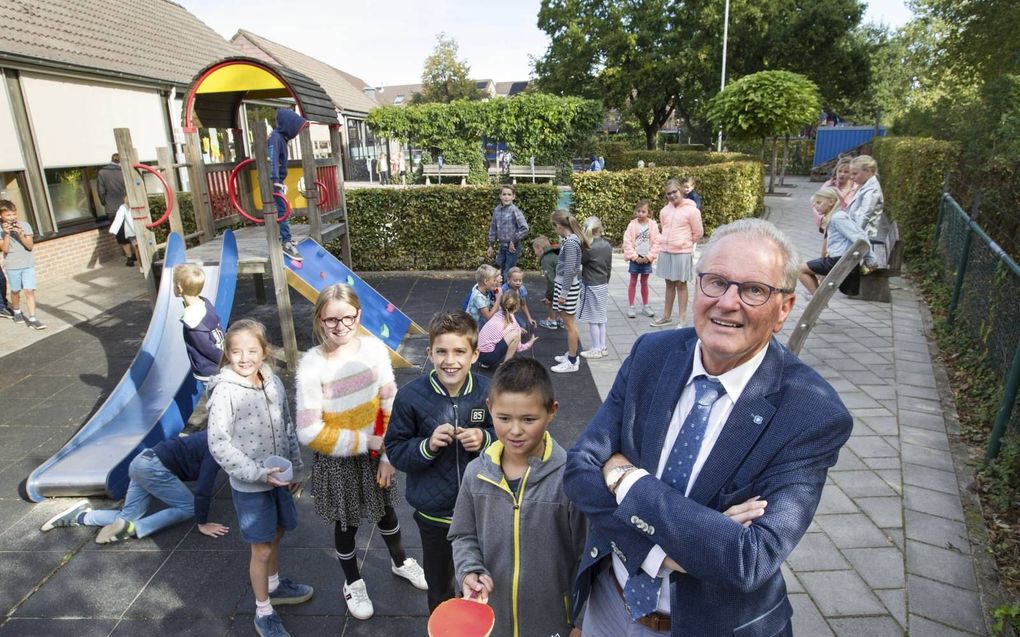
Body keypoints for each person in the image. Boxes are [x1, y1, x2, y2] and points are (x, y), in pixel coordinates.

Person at [564, 218, 853, 637]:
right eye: (716, 281)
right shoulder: (651, 353)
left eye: (754, 290)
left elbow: (748, 560)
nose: (728, 302)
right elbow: (579, 470)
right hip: (609, 602)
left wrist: (626, 479)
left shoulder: (811, 414)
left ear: (784, 309)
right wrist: (676, 547)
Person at [294, 284, 425, 620]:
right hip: (340, 459)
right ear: (320, 320)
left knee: (386, 512)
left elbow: (388, 401)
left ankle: (400, 562)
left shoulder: (374, 350)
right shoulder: (312, 366)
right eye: (331, 320)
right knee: (347, 522)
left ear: (359, 316)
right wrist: (362, 442)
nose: (340, 326)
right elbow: (309, 429)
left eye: (347, 318)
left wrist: (386, 454)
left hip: (376, 450)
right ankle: (352, 581)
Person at [450, 358, 587, 637]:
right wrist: (469, 570)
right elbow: (463, 535)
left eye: (528, 419)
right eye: (504, 418)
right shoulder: (476, 473)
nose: (515, 430)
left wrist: (581, 620)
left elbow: (589, 556)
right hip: (491, 620)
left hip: (552, 623)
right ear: (490, 408)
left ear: (552, 411)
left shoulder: (570, 481)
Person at [206, 319, 312, 637]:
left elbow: (286, 426)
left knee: (278, 531)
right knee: (261, 548)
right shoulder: (225, 391)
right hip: (251, 484)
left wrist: (294, 466)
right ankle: (263, 611)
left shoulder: (272, 382)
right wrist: (255, 472)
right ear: (227, 354)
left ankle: (275, 585)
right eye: (236, 351)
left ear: (264, 351)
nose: (244, 358)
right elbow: (218, 443)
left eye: (252, 350)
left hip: (278, 477)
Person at [385, 310, 495, 613]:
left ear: (475, 354)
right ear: (429, 353)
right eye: (442, 351)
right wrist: (427, 445)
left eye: (460, 351)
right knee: (441, 587)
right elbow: (395, 449)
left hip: (483, 512)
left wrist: (485, 439)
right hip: (435, 517)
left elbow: (512, 435)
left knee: (480, 585)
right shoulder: (410, 397)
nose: (451, 360)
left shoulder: (489, 392)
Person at [40, 431, 227, 543]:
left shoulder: (214, 431)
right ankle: (134, 529)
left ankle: (81, 516)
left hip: (142, 461)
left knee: (126, 516)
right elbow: (204, 488)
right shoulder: (218, 447)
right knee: (190, 506)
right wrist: (203, 522)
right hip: (153, 469)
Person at [649, 179, 703, 329]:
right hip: (666, 251)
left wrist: (685, 243)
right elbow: (664, 228)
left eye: (674, 192)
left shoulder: (692, 210)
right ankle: (666, 317)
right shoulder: (664, 211)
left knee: (681, 284)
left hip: (682, 252)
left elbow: (698, 233)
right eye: (668, 194)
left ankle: (682, 319)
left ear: (681, 191)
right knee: (669, 284)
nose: (672, 196)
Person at [799, 186, 871, 296]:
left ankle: (817, 299)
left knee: (800, 269)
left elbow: (860, 237)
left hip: (839, 260)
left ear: (831, 202)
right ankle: (817, 297)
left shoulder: (838, 218)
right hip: (838, 258)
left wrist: (871, 260)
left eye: (818, 202)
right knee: (804, 268)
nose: (815, 206)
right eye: (814, 204)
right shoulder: (835, 216)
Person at [549, 209, 589, 373]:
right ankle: (571, 355)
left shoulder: (572, 242)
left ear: (559, 225)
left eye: (555, 227)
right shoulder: (570, 239)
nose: (554, 230)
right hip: (565, 286)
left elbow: (570, 270)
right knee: (568, 324)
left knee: (570, 325)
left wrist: (563, 294)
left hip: (568, 287)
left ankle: (572, 360)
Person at [173, 264, 225, 383]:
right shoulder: (205, 303)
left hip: (210, 370)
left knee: (217, 398)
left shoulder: (193, 321)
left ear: (179, 288)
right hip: (220, 361)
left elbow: (207, 349)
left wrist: (227, 360)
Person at [268, 108, 307, 262]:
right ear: (288, 124)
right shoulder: (275, 139)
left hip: (278, 180)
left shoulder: (281, 138)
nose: (296, 133)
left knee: (284, 210)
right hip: (274, 181)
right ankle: (285, 242)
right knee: (283, 210)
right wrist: (276, 181)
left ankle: (287, 238)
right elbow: (272, 160)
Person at [0, 200, 44, 329]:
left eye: (14, 214)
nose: (12, 217)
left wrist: (20, 234)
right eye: (8, 215)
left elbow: (30, 246)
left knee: (29, 291)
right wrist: (7, 234)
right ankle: (17, 311)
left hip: (27, 264)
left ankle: (33, 318)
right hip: (12, 265)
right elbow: (5, 249)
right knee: (15, 291)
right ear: (1, 216)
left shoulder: (24, 225)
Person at [577, 216, 613, 359]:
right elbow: (609, 267)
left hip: (591, 284)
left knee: (593, 319)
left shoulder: (588, 247)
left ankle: (596, 348)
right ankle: (603, 347)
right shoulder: (607, 245)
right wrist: (606, 280)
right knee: (601, 319)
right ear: (601, 228)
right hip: (603, 284)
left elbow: (580, 262)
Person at [477, 290, 537, 368]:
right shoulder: (514, 326)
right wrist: (529, 344)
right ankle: (506, 365)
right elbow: (519, 348)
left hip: (478, 354)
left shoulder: (497, 313)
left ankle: (485, 363)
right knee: (515, 334)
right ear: (517, 307)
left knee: (508, 332)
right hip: (488, 358)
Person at [622, 199, 660, 319]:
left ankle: (645, 306)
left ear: (649, 212)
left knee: (644, 282)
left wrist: (649, 256)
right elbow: (627, 241)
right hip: (635, 259)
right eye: (638, 211)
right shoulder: (632, 225)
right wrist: (634, 256)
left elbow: (657, 242)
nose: (640, 214)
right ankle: (631, 306)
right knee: (633, 281)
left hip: (646, 259)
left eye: (643, 211)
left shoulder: (653, 225)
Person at [486, 185, 529, 282]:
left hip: (513, 247)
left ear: (513, 196)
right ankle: (500, 292)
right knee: (499, 269)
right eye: (504, 194)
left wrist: (513, 241)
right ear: (500, 196)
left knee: (508, 272)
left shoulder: (515, 210)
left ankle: (508, 294)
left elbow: (524, 228)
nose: (506, 197)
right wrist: (491, 245)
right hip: (502, 246)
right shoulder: (497, 210)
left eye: (509, 194)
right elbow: (493, 228)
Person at [846, 155, 885, 246]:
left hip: (864, 237)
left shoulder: (872, 191)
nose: (851, 177)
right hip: (860, 234)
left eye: (855, 174)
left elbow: (865, 215)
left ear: (868, 171)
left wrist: (853, 236)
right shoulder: (866, 186)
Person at [532, 235, 561, 330]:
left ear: (540, 248)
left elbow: (551, 281)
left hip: (559, 283)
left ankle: (552, 321)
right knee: (560, 300)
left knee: (550, 299)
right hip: (566, 284)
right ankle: (560, 320)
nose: (535, 253)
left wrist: (548, 296)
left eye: (535, 250)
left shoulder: (546, 260)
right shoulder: (554, 255)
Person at [109, 195, 141, 267]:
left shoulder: (123, 207)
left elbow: (118, 219)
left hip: (131, 231)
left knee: (137, 249)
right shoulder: (136, 203)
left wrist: (113, 230)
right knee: (138, 249)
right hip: (137, 230)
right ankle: (142, 266)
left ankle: (141, 267)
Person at [97, 153, 126, 220]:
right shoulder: (124, 172)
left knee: (115, 229)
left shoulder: (102, 173)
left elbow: (101, 192)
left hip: (111, 208)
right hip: (126, 207)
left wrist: (106, 203)